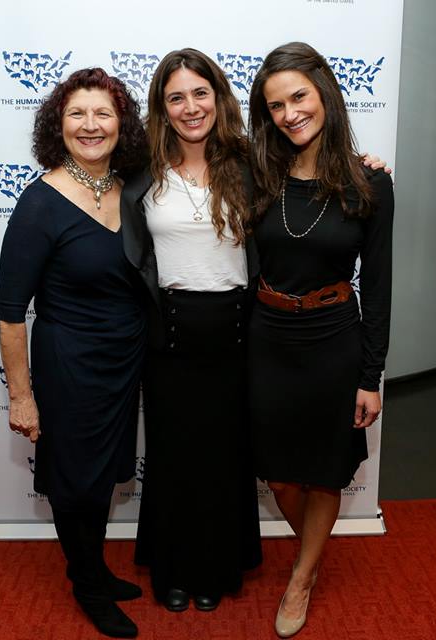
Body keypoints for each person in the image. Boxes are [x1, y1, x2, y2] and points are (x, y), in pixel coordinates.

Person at [246, 42, 394, 638]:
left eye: (299, 97)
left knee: (326, 473)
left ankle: (302, 575)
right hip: (267, 340)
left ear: (325, 93)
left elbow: (379, 287)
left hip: (335, 343)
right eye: (276, 105)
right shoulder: (258, 173)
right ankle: (306, 553)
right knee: (281, 476)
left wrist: (370, 375)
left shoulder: (370, 184)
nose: (289, 113)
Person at [0, 67, 149, 639]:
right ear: (57, 126)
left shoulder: (129, 186)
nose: (91, 125)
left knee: (102, 477)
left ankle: (95, 570)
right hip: (69, 365)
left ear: (121, 123)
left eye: (103, 113)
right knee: (75, 483)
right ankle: (87, 585)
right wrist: (22, 396)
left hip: (123, 363)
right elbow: (11, 314)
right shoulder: (39, 204)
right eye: (77, 114)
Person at [120, 48, 262, 613]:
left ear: (218, 97)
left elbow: (312, 173)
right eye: (175, 97)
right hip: (169, 336)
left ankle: (216, 569)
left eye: (199, 93)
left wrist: (367, 163)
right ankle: (173, 570)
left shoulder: (253, 166)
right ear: (162, 107)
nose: (190, 106)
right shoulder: (141, 175)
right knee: (174, 459)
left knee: (225, 459)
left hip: (235, 333)